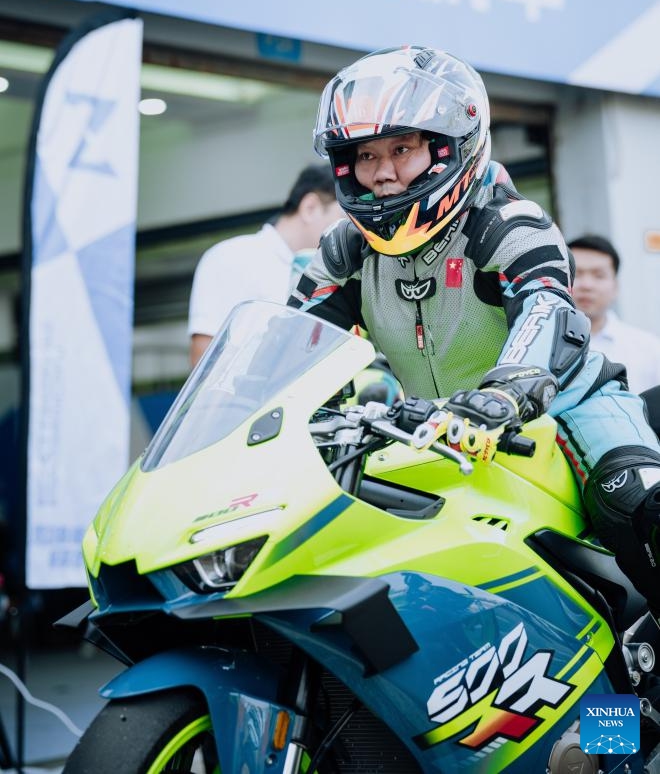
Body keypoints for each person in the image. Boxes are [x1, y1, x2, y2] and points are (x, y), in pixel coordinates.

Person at [288, 45, 660, 616]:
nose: (383, 171)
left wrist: (504, 393)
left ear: (449, 147)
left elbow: (548, 310)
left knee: (639, 503)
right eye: (366, 154)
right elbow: (295, 344)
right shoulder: (346, 249)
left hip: (564, 409)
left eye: (402, 148)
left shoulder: (505, 220)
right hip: (437, 429)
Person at [188, 164, 343, 366]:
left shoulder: (336, 276)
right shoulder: (229, 257)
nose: (351, 233)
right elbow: (203, 360)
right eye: (343, 219)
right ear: (310, 208)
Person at [568, 233, 660, 395]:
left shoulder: (650, 349)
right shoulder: (538, 344)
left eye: (599, 275)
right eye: (577, 274)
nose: (587, 285)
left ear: (615, 286)